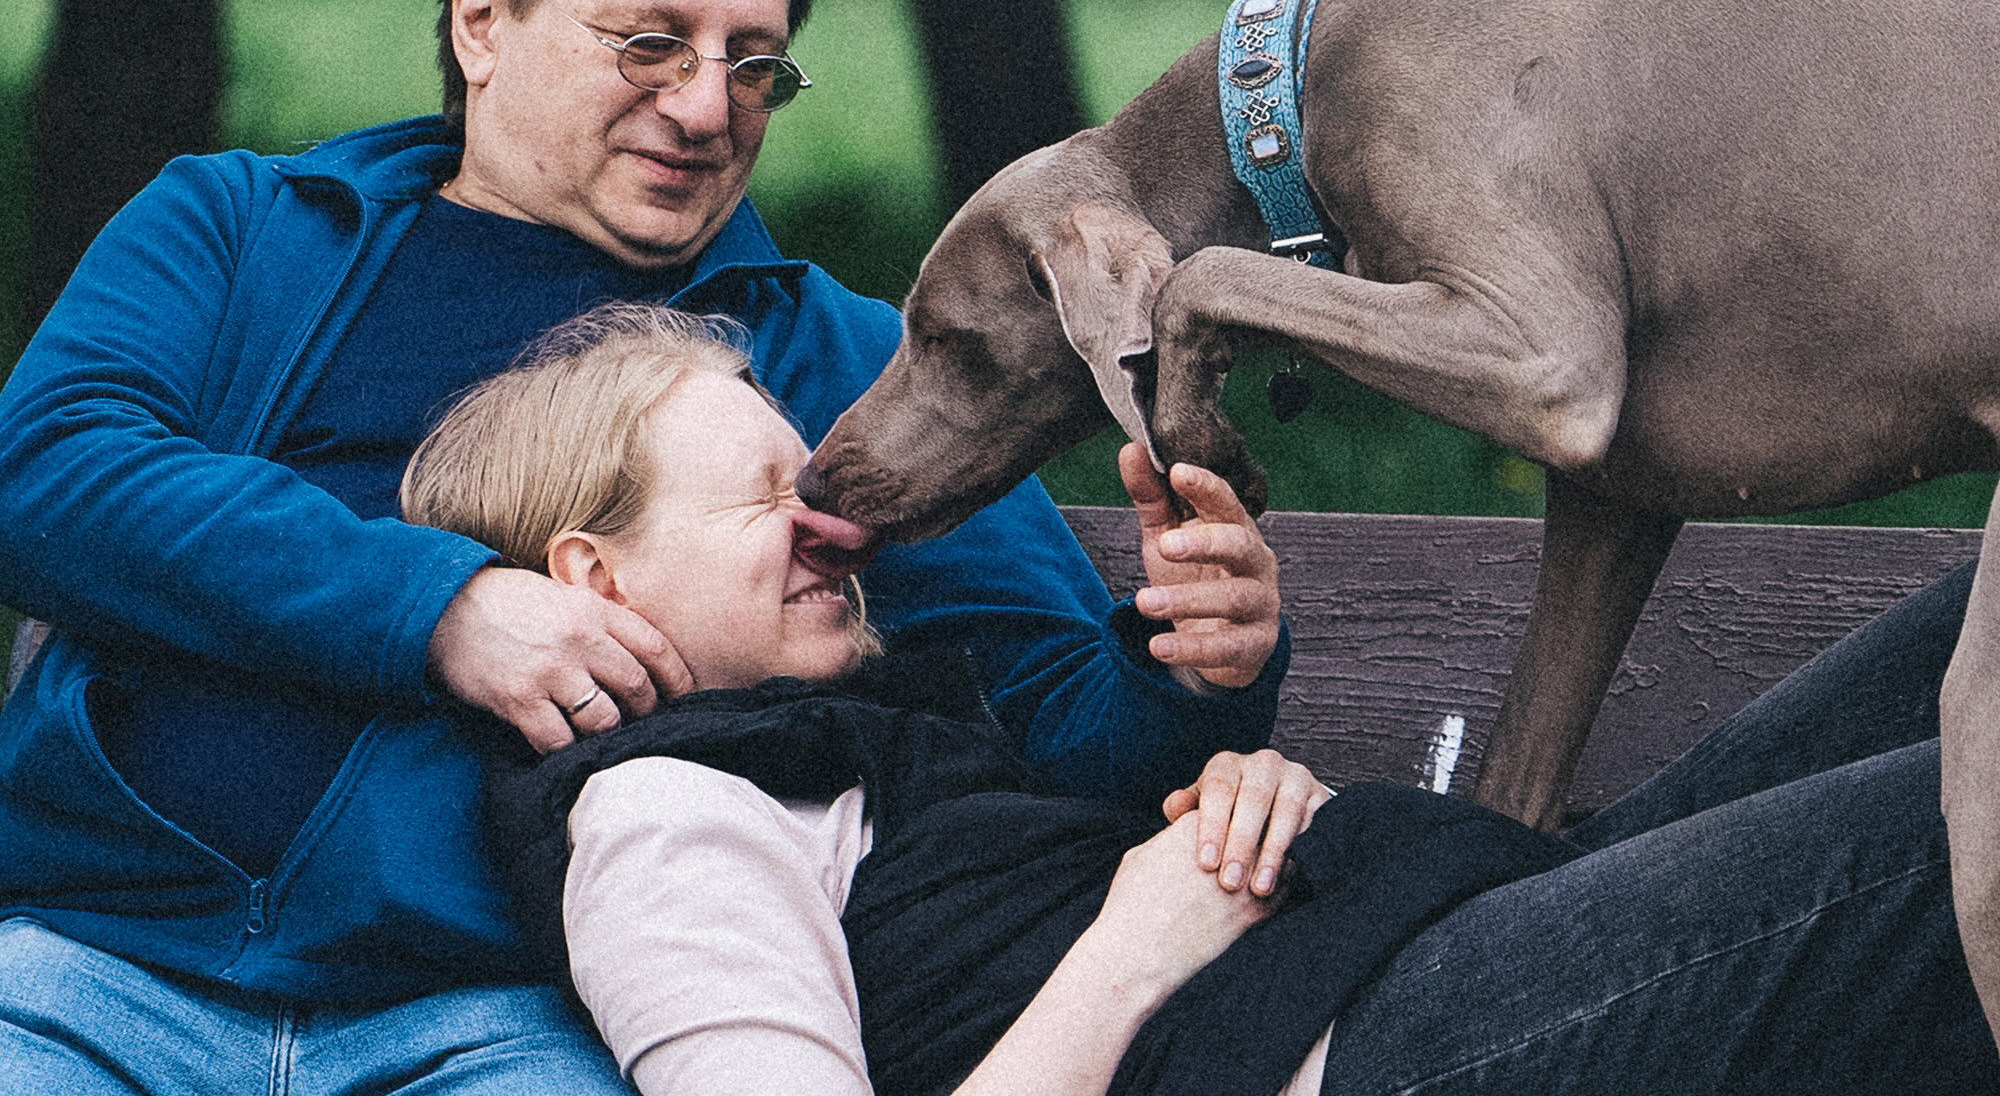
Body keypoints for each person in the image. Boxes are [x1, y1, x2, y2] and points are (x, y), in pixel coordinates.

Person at [0, 0, 1287, 1088]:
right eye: (651, 43)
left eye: (753, 62)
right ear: (483, 18)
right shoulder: (244, 230)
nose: (704, 105)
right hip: (95, 971)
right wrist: (448, 608)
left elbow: (1064, 723)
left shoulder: (839, 364)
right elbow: (45, 467)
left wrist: (1193, 662)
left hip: (514, 1017)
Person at [415, 302, 1998, 1095]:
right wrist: (1139, 937)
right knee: (1963, 823)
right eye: (768, 496)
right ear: (598, 576)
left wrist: (1253, 794)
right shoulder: (662, 818)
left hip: (1433, 934)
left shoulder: (849, 733)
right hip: (1384, 1044)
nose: (836, 521)